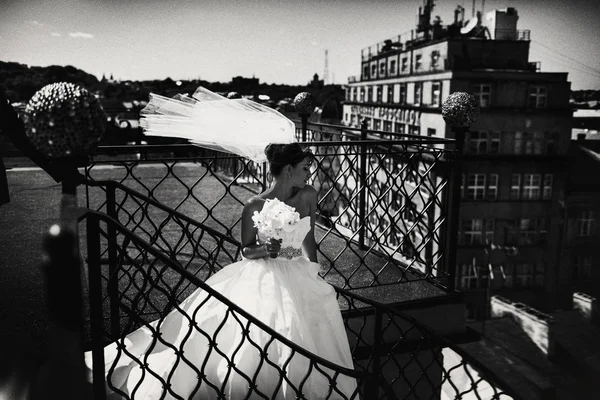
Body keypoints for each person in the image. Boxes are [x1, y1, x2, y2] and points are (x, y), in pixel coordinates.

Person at [85, 142, 358, 399]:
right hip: (264, 273)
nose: (310, 174)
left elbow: (308, 237)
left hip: (298, 271)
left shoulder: (308, 194)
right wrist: (268, 250)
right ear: (288, 170)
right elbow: (246, 250)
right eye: (305, 168)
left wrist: (314, 269)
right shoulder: (254, 205)